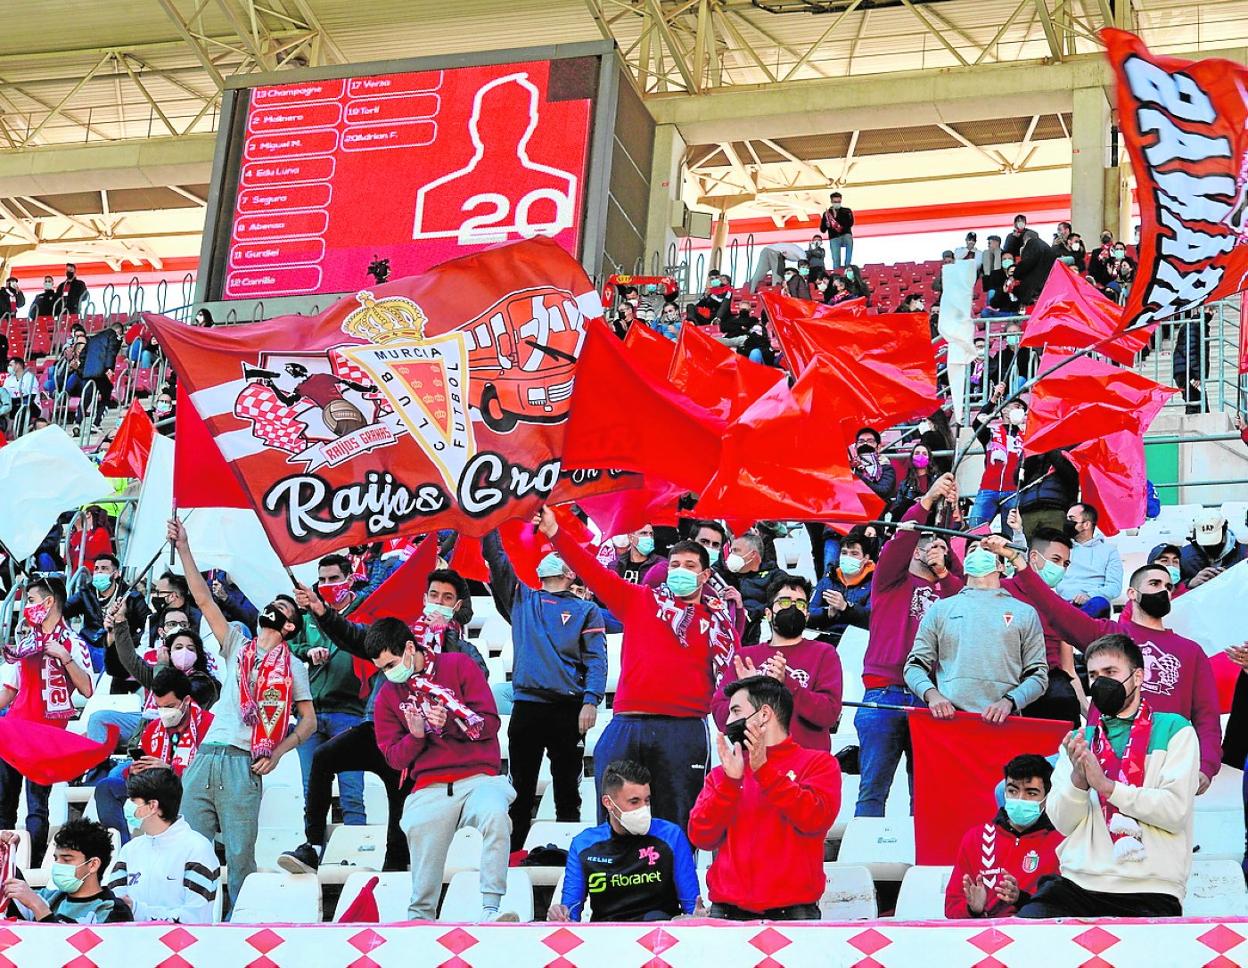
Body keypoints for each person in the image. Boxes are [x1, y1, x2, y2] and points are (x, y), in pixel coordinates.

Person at [540, 506, 739, 832]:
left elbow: (734, 676)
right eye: (674, 564)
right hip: (628, 723)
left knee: (676, 825)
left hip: (684, 729)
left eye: (690, 566)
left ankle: (674, 883)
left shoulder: (720, 623)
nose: (680, 571)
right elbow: (592, 571)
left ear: (705, 576)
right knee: (614, 822)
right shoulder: (639, 600)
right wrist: (554, 533)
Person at [280, 568, 486, 876]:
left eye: (447, 598)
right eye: (433, 595)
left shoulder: (463, 650)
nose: (438, 602)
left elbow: (477, 679)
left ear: (456, 606)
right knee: (323, 758)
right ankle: (313, 847)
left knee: (398, 820)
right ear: (424, 598)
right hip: (377, 726)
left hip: (417, 744)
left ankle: (395, 875)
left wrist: (448, 638)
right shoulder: (398, 636)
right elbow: (355, 636)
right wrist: (321, 610)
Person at [168, 518, 316, 916]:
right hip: (206, 756)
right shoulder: (238, 643)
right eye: (272, 604)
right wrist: (184, 547)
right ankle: (191, 924)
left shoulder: (293, 666)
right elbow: (203, 600)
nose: (272, 609)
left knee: (239, 858)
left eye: (281, 609)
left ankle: (239, 930)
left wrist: (281, 751)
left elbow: (309, 722)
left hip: (241, 762)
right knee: (193, 854)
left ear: (288, 626)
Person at [1017, 635, 1198, 918]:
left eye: (1110, 673)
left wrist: (1107, 787)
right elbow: (1062, 823)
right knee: (1029, 927)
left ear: (1137, 677)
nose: (1100, 682)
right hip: (1080, 883)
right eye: (1093, 675)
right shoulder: (1080, 740)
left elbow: (1174, 811)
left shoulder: (1175, 729)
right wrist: (1078, 780)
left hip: (1151, 887)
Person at [1007, 554, 1221, 794]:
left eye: (1169, 587)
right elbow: (1056, 611)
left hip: (1161, 759)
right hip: (1102, 754)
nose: (1164, 590)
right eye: (1155, 584)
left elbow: (1207, 715)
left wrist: (1206, 766)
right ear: (1131, 594)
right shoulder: (1109, 634)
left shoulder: (1191, 651)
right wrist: (1021, 565)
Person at [367, 617, 515, 921]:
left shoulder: (458, 665)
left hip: (479, 777)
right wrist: (417, 735)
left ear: (410, 647)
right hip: (430, 786)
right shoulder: (387, 695)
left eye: (390, 664)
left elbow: (490, 723)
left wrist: (449, 721)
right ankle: (420, 918)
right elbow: (394, 758)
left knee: (496, 815)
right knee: (419, 824)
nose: (387, 673)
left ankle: (491, 909)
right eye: (381, 668)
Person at [483, 530, 607, 851]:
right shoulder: (523, 599)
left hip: (569, 710)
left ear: (569, 571)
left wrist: (591, 701)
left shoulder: (586, 611)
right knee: (520, 791)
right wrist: (490, 524)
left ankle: (569, 855)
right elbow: (497, 562)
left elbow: (596, 658)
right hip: (527, 709)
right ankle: (513, 855)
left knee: (568, 790)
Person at [855, 474, 964, 816]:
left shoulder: (950, 589)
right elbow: (900, 540)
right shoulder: (889, 580)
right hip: (884, 694)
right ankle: (865, 858)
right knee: (873, 790)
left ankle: (923, 863)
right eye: (926, 542)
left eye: (940, 544)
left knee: (927, 794)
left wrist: (947, 564)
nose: (932, 548)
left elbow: (967, 598)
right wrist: (928, 500)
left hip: (932, 699)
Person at [689, 676, 840, 920]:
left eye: (735, 711)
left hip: (793, 915)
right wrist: (730, 784)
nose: (727, 722)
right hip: (726, 913)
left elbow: (815, 818)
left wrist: (765, 772)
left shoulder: (819, 764)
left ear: (764, 714)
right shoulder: (723, 773)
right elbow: (701, 836)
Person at [0, 578, 94, 863]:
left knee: (36, 805)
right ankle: (5, 864)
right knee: (4, 803)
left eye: (31, 600)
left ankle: (31, 865)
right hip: (15, 731)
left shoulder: (73, 643)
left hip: (45, 736)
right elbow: (9, 689)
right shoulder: (27, 643)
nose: (28, 607)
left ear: (49, 602)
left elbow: (87, 689)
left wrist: (64, 657)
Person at [904, 537, 1047, 720]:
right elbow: (914, 665)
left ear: (1002, 566)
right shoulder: (940, 609)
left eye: (987, 550)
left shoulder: (1025, 613)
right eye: (972, 550)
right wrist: (933, 696)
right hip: (950, 722)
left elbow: (1038, 675)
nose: (979, 553)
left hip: (1005, 723)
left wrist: (1009, 702)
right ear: (964, 564)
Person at [550, 760, 699, 923]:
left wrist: (700, 915)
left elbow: (692, 908)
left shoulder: (671, 836)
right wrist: (560, 914)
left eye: (647, 800)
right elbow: (570, 914)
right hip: (607, 938)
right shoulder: (583, 845)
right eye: (634, 802)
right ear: (608, 803)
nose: (644, 809)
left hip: (660, 936)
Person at [92, 657, 214, 844]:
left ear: (187, 700)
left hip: (187, 790)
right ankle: (125, 848)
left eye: (170, 707)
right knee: (106, 787)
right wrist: (134, 771)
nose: (164, 712)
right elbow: (143, 764)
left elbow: (208, 773)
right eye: (159, 707)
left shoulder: (209, 725)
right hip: (153, 788)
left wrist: (170, 770)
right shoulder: (153, 728)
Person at [714, 577, 841, 751]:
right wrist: (749, 693)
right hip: (755, 762)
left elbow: (829, 714)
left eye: (801, 604)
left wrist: (788, 684)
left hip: (806, 765)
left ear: (807, 615)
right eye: (785, 602)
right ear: (768, 613)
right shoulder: (745, 656)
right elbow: (720, 713)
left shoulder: (824, 653)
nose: (793, 608)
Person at [289, 554, 368, 833]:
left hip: (350, 713)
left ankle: (359, 855)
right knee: (311, 794)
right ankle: (312, 851)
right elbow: (286, 650)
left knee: (351, 794)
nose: (327, 584)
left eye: (334, 578)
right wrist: (307, 654)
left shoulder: (365, 611)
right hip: (309, 714)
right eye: (322, 579)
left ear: (350, 579)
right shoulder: (305, 616)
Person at [945, 754, 1063, 919]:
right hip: (983, 940)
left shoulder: (1062, 841)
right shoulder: (975, 838)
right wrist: (973, 910)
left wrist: (1021, 899)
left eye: (1031, 793)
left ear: (1047, 797)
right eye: (1013, 791)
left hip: (1037, 938)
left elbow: (1066, 909)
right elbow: (952, 907)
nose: (1020, 799)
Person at [105, 767, 220, 923]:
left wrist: (139, 911)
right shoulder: (129, 850)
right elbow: (115, 906)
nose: (127, 806)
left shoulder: (198, 849)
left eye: (133, 801)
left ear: (152, 806)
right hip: (132, 942)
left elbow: (194, 918)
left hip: (184, 945)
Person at [998, 524, 1082, 725]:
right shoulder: (1001, 591)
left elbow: (1069, 670)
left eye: (1066, 563)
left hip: (1052, 690)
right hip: (1005, 685)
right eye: (1056, 560)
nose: (1061, 567)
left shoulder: (1059, 607)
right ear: (1034, 557)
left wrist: (1091, 716)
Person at [1, 821, 132, 923]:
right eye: (56, 859)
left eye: (67, 860)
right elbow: (9, 894)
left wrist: (39, 908)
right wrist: (6, 856)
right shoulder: (48, 898)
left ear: (93, 864)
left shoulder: (112, 910)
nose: (58, 865)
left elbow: (68, 949)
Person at [66, 552, 150, 697]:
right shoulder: (86, 593)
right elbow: (62, 611)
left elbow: (148, 624)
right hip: (92, 644)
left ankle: (102, 697)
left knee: (113, 659)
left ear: (116, 573)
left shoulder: (132, 597)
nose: (98, 572)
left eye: (104, 568)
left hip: (118, 646)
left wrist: (129, 640)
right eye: (96, 568)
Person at [968, 386, 1025, 529]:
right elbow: (977, 423)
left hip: (1014, 492)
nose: (1020, 410)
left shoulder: (1026, 437)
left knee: (1010, 537)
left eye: (1022, 409)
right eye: (1016, 406)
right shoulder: (992, 432)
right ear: (1004, 410)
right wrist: (994, 399)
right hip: (988, 489)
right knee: (976, 531)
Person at [1057, 503, 1123, 618]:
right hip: (1063, 603)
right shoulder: (1062, 548)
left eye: (1071, 519)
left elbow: (1114, 587)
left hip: (1091, 604)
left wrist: (1089, 595)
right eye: (1066, 519)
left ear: (1086, 524)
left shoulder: (1109, 551)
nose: (1067, 523)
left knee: (1099, 603)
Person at [808, 532, 874, 642]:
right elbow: (807, 613)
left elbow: (872, 619)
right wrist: (827, 613)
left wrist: (846, 608)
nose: (848, 557)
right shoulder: (828, 579)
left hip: (858, 641)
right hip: (827, 636)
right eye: (844, 553)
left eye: (854, 554)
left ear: (866, 558)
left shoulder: (874, 583)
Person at [723, 532, 782, 641]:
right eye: (731, 551)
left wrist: (749, 614)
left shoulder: (775, 576)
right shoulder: (728, 576)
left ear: (753, 554)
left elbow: (780, 603)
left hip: (757, 634)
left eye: (736, 551)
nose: (731, 556)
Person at [1015, 448, 1079, 540]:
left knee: (1054, 548)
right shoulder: (1030, 448)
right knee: (1027, 550)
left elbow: (1071, 475)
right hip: (1028, 509)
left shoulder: (1069, 445)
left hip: (1055, 509)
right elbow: (1018, 480)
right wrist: (1032, 453)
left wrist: (1051, 448)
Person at [1180, 511, 1246, 586]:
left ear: (1224, 531)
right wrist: (1190, 584)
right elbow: (1172, 589)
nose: (1210, 546)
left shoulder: (1243, 554)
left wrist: (1232, 580)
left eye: (1214, 543)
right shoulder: (1184, 556)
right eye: (1205, 543)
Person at [888, 443, 935, 521]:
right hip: (909, 519)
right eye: (917, 453)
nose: (920, 456)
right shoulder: (904, 484)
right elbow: (897, 508)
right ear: (912, 458)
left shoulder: (935, 480)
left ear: (929, 458)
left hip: (929, 517)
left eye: (924, 454)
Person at [851, 426, 896, 502]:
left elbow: (883, 491)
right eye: (861, 441)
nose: (865, 444)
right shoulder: (850, 467)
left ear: (878, 447)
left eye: (870, 441)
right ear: (855, 447)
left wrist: (856, 474)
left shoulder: (886, 468)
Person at [819, 192, 855, 269]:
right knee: (836, 259)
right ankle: (837, 273)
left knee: (849, 242)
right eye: (835, 202)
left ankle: (848, 267)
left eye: (839, 202)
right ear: (831, 202)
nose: (837, 203)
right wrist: (827, 224)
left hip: (845, 234)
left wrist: (836, 217)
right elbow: (822, 230)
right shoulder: (827, 213)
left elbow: (850, 223)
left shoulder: (847, 211)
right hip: (834, 237)